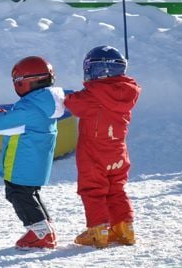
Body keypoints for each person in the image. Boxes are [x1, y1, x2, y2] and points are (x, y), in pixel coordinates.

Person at [65, 46, 141, 248]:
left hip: (93, 156)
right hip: (117, 154)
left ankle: (98, 231)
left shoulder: (91, 96)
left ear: (95, 70)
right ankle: (125, 229)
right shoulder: (127, 93)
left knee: (93, 191)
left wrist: (62, 95)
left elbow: (71, 103)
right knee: (116, 189)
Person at [0, 57, 66, 249]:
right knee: (30, 194)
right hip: (35, 163)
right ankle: (45, 228)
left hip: (21, 163)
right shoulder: (45, 103)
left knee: (18, 195)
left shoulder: (29, 107)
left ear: (24, 82)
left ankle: (41, 234)